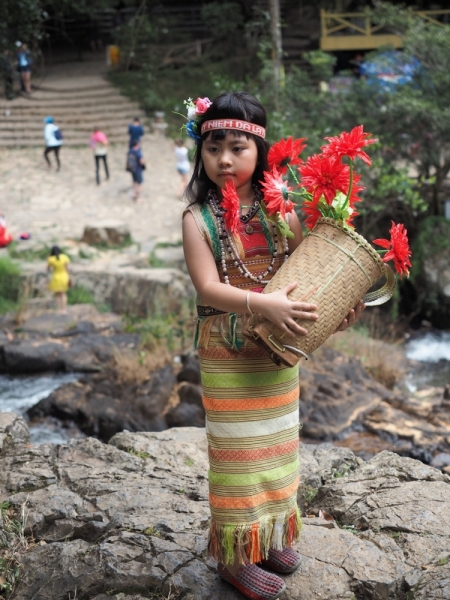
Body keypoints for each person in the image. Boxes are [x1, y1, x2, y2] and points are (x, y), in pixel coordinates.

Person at [182, 91, 364, 600]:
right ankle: (233, 557)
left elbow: (311, 279)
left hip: (276, 353)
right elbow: (208, 288)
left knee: (277, 450)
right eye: (213, 146)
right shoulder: (198, 219)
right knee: (238, 455)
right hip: (226, 350)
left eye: (237, 147)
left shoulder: (282, 211)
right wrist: (264, 306)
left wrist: (338, 312)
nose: (224, 159)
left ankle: (268, 536)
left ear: (260, 152)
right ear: (201, 151)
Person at [47, 245, 71, 314]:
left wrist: (48, 259)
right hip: (64, 276)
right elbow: (67, 269)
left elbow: (48, 269)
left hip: (56, 277)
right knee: (63, 293)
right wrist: (69, 277)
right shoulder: (64, 257)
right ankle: (64, 309)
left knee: (57, 294)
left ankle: (59, 309)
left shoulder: (51, 259)